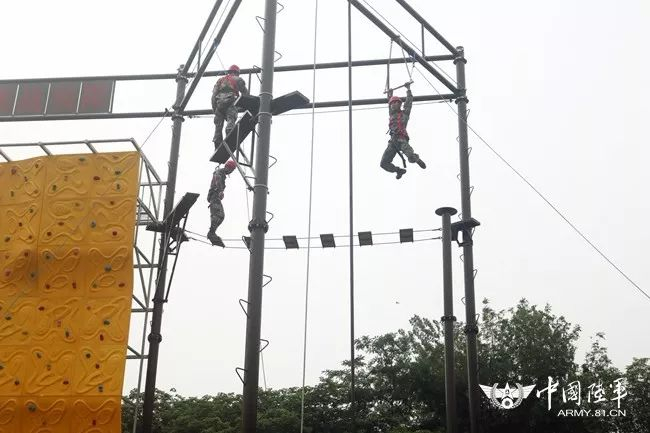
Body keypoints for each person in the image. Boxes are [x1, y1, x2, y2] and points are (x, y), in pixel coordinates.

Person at [380, 83, 426, 179]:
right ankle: (398, 170)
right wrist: (390, 94)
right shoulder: (391, 114)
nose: (393, 105)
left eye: (395, 103)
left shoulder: (404, 114)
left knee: (411, 157)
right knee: (383, 163)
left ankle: (417, 159)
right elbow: (390, 101)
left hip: (401, 139)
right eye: (392, 104)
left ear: (399, 104)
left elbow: (408, 103)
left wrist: (408, 90)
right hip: (393, 142)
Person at [212, 65, 249, 148]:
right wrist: (247, 105)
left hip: (219, 104)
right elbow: (246, 94)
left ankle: (217, 142)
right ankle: (229, 137)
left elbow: (213, 96)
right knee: (231, 120)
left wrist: (215, 109)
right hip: (230, 103)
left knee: (218, 126)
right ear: (237, 73)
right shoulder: (238, 79)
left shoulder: (219, 81)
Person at [207, 159, 237, 247]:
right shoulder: (219, 172)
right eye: (231, 170)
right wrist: (220, 190)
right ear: (228, 167)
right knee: (219, 215)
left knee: (220, 216)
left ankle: (212, 232)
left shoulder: (221, 174)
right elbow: (217, 179)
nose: (231, 172)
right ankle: (211, 233)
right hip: (214, 196)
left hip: (215, 197)